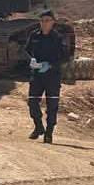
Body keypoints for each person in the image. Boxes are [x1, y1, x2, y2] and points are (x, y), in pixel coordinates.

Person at [25, 9, 69, 144]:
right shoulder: (34, 35)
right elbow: (26, 50)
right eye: (42, 20)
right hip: (37, 74)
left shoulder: (58, 38)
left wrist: (50, 65)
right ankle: (38, 126)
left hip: (52, 76)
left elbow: (65, 57)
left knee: (52, 105)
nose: (44, 23)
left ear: (53, 22)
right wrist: (31, 60)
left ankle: (49, 132)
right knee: (32, 101)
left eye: (47, 21)